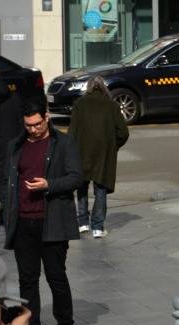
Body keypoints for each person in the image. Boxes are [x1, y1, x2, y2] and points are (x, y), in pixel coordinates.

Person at [3, 98, 84, 325]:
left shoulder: (64, 143)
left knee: (56, 277)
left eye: (37, 124)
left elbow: (77, 177)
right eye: (28, 125)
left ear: (46, 117)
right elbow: (8, 183)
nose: (33, 129)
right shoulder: (16, 146)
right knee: (27, 281)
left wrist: (49, 185)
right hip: (23, 223)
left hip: (53, 222)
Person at [68, 77, 129, 239]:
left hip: (81, 152)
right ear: (104, 89)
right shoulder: (113, 106)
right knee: (100, 188)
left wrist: (70, 151)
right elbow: (123, 133)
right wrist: (113, 146)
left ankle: (82, 223)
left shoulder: (79, 104)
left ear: (88, 88)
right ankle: (98, 226)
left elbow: (72, 131)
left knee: (81, 186)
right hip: (104, 154)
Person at [0, 67, 23, 227]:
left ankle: (6, 214)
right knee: (9, 180)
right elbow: (20, 121)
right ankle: (7, 212)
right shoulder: (13, 95)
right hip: (11, 144)